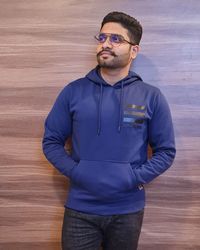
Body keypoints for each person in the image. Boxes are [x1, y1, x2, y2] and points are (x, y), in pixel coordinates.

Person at [42, 11, 176, 250]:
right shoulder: (73, 91)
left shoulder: (150, 96)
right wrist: (78, 172)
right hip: (80, 209)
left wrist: (133, 177)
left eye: (116, 39)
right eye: (102, 37)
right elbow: (51, 142)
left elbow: (166, 151)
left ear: (133, 50)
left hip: (127, 211)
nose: (105, 44)